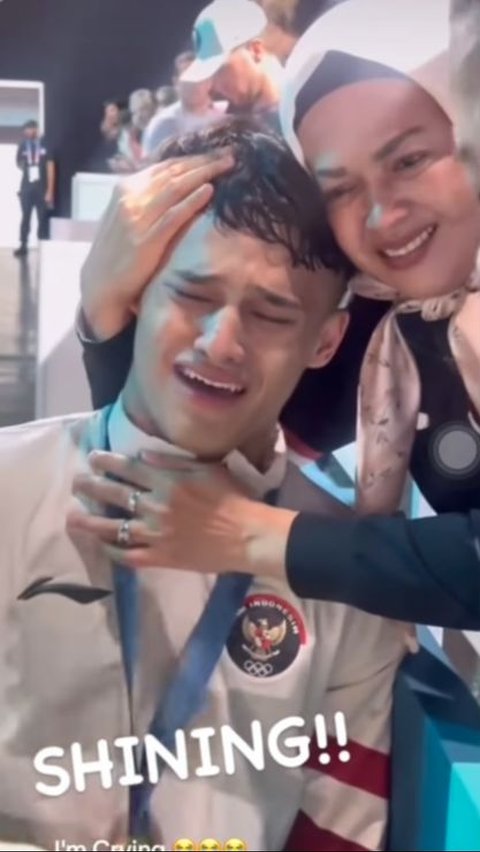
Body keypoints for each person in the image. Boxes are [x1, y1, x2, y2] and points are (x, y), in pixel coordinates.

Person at [0, 122, 407, 851]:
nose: (223, 341)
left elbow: (338, 828)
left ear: (325, 341)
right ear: (135, 290)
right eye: (193, 293)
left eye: (272, 313)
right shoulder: (9, 488)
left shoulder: (349, 580)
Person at [74, 0, 480, 630]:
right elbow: (186, 442)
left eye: (409, 160)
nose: (381, 215)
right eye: (340, 188)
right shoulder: (383, 338)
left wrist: (256, 536)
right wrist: (104, 305)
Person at [180, 0, 284, 132]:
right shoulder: (236, 129)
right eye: (210, 74)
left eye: (221, 70)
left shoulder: (306, 105)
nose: (215, 85)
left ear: (255, 50)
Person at [143, 52, 226, 157]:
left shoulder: (227, 114)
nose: (194, 82)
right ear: (176, 82)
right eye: (187, 76)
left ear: (209, 80)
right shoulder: (162, 124)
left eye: (198, 75)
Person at [13, 120, 55, 258]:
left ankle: (42, 245)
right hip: (26, 187)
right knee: (25, 217)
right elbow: (18, 163)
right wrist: (28, 167)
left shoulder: (46, 144)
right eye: (25, 130)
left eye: (29, 129)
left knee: (42, 217)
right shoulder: (23, 145)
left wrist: (50, 190)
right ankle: (23, 245)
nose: (27, 132)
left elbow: (50, 166)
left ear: (36, 129)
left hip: (41, 187)